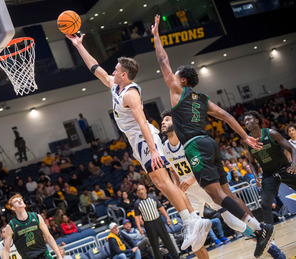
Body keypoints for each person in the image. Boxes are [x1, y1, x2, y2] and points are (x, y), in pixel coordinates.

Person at [66, 32, 209, 251]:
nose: (112, 71)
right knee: (163, 182)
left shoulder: (130, 94)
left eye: (116, 69)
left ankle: (191, 221)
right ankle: (191, 219)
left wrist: (152, 150)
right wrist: (78, 46)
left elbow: (142, 122)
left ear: (124, 74)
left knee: (162, 182)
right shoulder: (116, 85)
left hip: (145, 139)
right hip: (140, 142)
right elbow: (95, 68)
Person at [152, 14, 273, 258]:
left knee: (216, 195)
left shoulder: (178, 92)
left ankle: (260, 229)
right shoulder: (202, 99)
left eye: (175, 75)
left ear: (182, 80)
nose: (170, 77)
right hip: (210, 143)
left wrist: (156, 35)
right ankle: (259, 228)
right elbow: (227, 116)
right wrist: (244, 137)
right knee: (227, 195)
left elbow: (163, 58)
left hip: (195, 147)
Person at [243, 111, 296, 226]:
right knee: (265, 204)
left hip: (284, 169)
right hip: (268, 174)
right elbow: (252, 162)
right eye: (245, 121)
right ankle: (270, 239)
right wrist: (256, 177)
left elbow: (292, 149)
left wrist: (294, 164)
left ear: (257, 120)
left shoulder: (271, 133)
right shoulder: (247, 142)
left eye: (249, 119)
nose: (246, 122)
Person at [1, 194, 62, 259]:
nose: (19, 201)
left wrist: (59, 255)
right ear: (13, 208)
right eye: (16, 201)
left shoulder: (37, 217)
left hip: (44, 255)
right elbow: (6, 250)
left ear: (24, 204)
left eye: (20, 200)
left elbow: (49, 237)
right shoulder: (11, 226)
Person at [134, 185, 181, 259]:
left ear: (145, 190)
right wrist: (139, 227)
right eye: (139, 190)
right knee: (154, 245)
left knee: (167, 240)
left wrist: (167, 218)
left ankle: (176, 257)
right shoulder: (137, 203)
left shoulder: (153, 198)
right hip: (149, 225)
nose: (141, 191)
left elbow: (161, 208)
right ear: (137, 192)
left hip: (158, 221)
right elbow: (136, 216)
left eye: (142, 189)